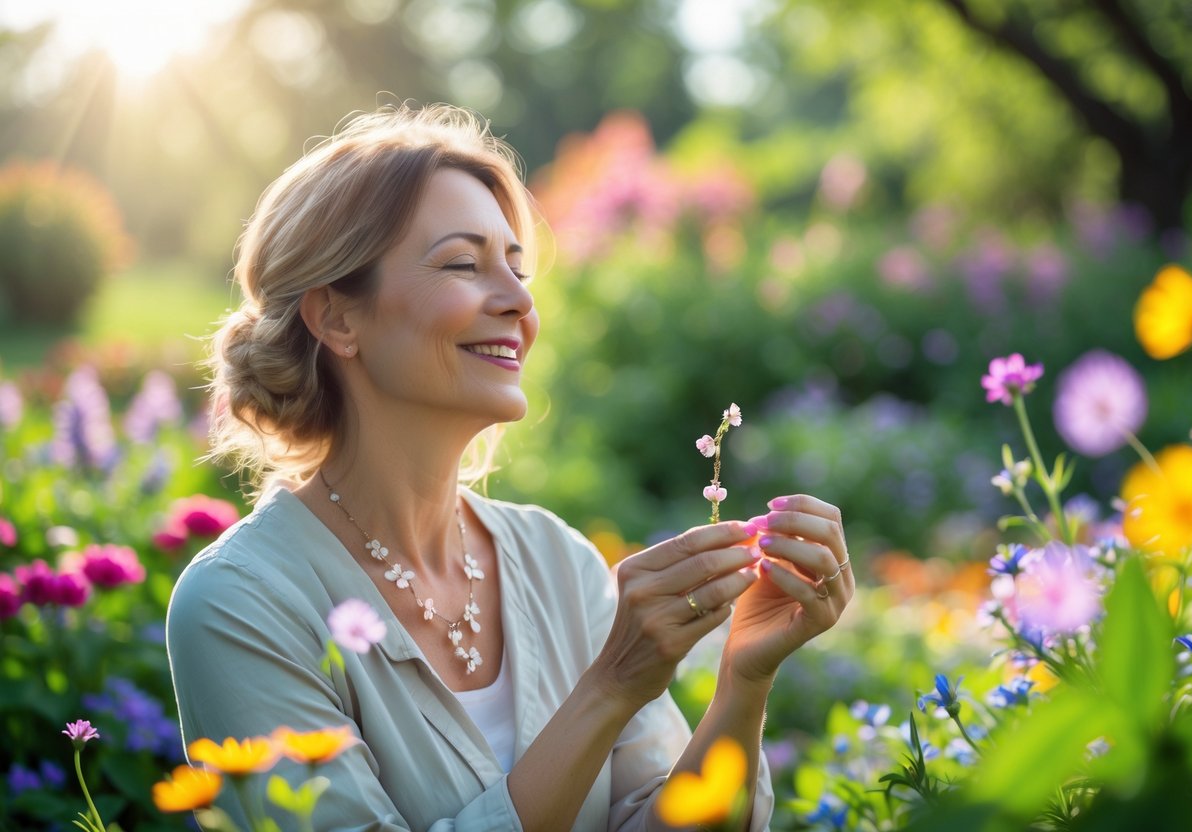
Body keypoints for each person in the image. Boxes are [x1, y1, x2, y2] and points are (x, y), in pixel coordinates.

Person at [166, 104, 855, 831]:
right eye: (463, 265)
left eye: (517, 269)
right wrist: (611, 685)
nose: (520, 302)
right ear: (338, 318)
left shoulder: (557, 560)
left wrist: (744, 680)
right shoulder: (241, 603)